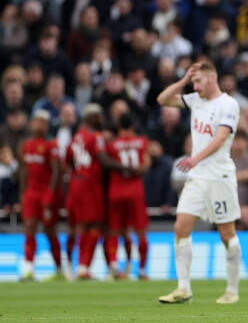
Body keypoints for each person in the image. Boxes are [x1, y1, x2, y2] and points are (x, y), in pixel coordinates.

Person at [157, 62, 242, 304]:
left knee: (227, 234)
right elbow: (162, 100)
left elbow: (221, 137)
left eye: (198, 81)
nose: (195, 87)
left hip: (219, 177)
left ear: (212, 78)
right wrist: (183, 81)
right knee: (180, 227)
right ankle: (183, 289)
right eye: (193, 83)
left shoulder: (228, 104)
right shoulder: (195, 99)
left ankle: (232, 291)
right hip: (197, 178)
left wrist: (194, 158)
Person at [65, 104, 126, 280]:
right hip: (90, 184)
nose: (102, 119)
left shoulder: (76, 137)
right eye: (99, 116)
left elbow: (68, 159)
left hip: (76, 183)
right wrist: (126, 167)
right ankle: (83, 267)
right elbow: (104, 161)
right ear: (91, 117)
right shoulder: (96, 136)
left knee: (81, 226)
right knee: (94, 225)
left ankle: (80, 267)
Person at [17, 110, 63, 281]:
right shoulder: (26, 145)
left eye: (42, 122)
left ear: (47, 125)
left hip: (46, 193)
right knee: (29, 226)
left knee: (50, 231)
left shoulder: (51, 145)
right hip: (31, 193)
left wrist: (51, 194)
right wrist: (22, 194)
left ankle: (59, 269)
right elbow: (23, 171)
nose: (38, 125)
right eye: (36, 121)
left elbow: (56, 171)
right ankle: (29, 268)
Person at [105, 114, 151, 280]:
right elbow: (145, 165)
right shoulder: (142, 142)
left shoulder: (112, 145)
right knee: (140, 232)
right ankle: (142, 270)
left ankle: (114, 266)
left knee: (115, 231)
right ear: (132, 125)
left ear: (118, 126)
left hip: (116, 191)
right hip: (135, 192)